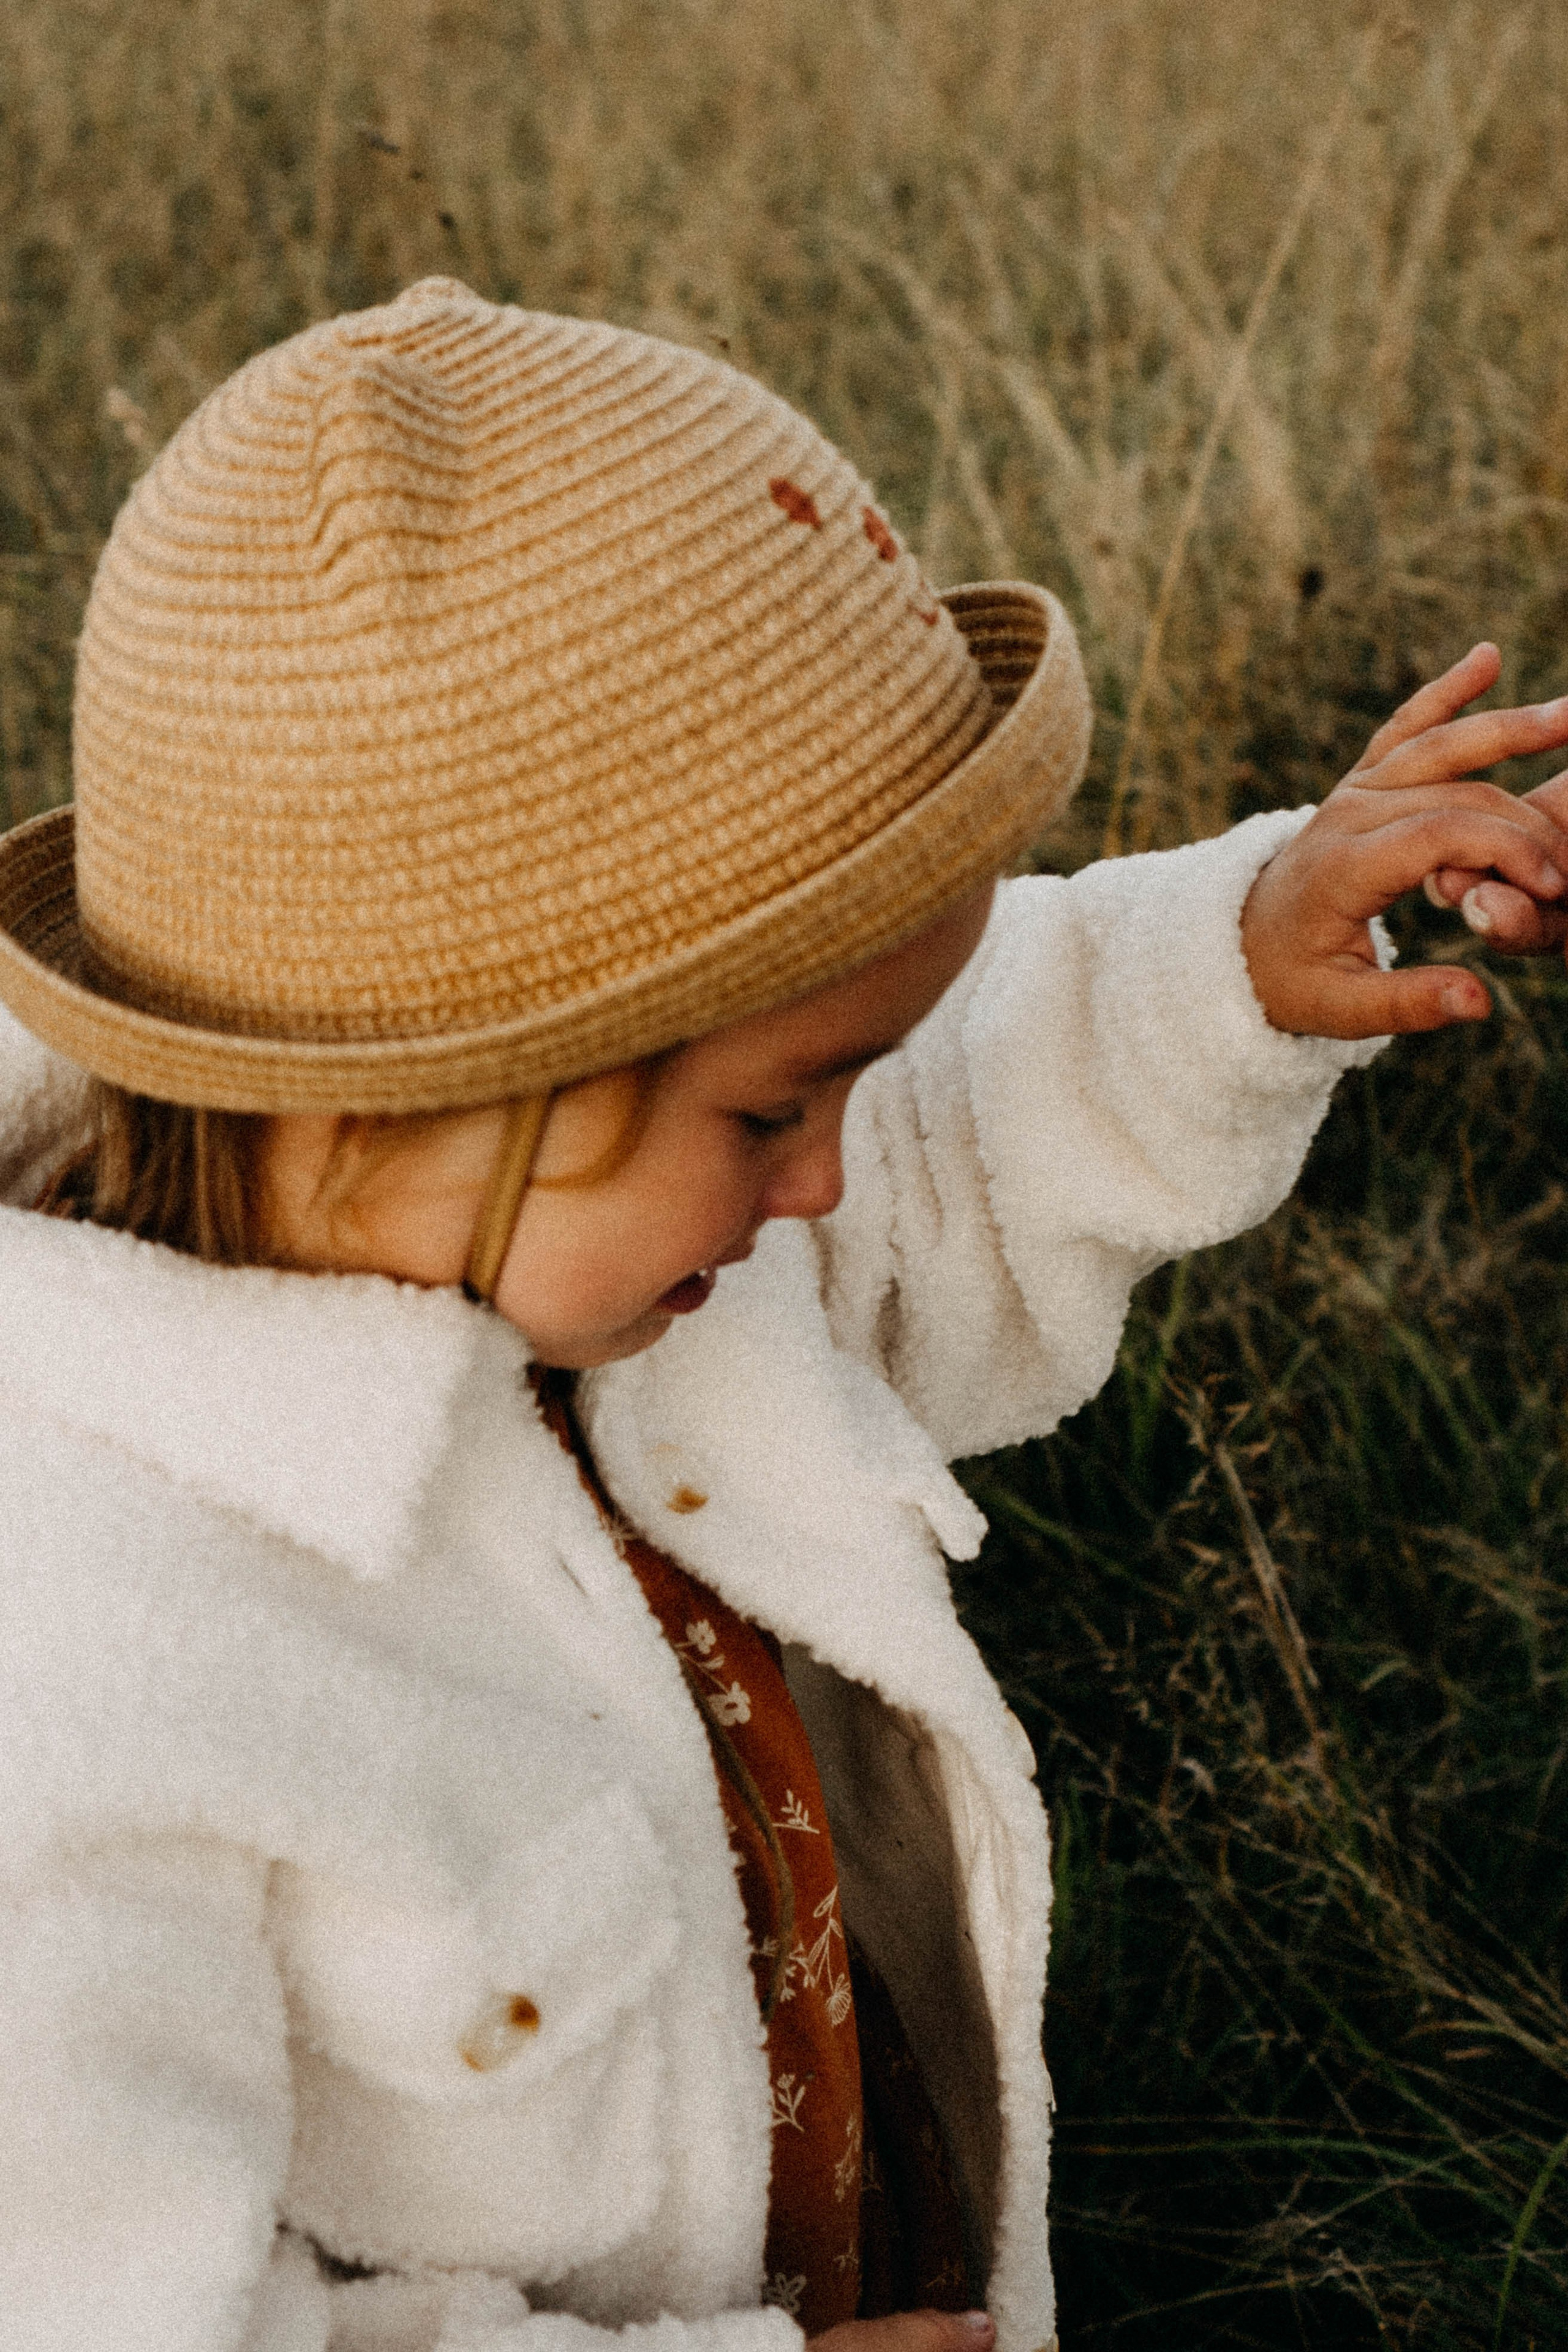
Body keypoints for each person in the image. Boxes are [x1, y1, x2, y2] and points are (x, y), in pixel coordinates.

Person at [0, 279, 1564, 2352]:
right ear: (453, 1080)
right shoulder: (92, 1652)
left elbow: (957, 1117)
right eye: (773, 1107)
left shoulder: (595, 1243)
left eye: (845, 1083)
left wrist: (1230, 960)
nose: (827, 1178)